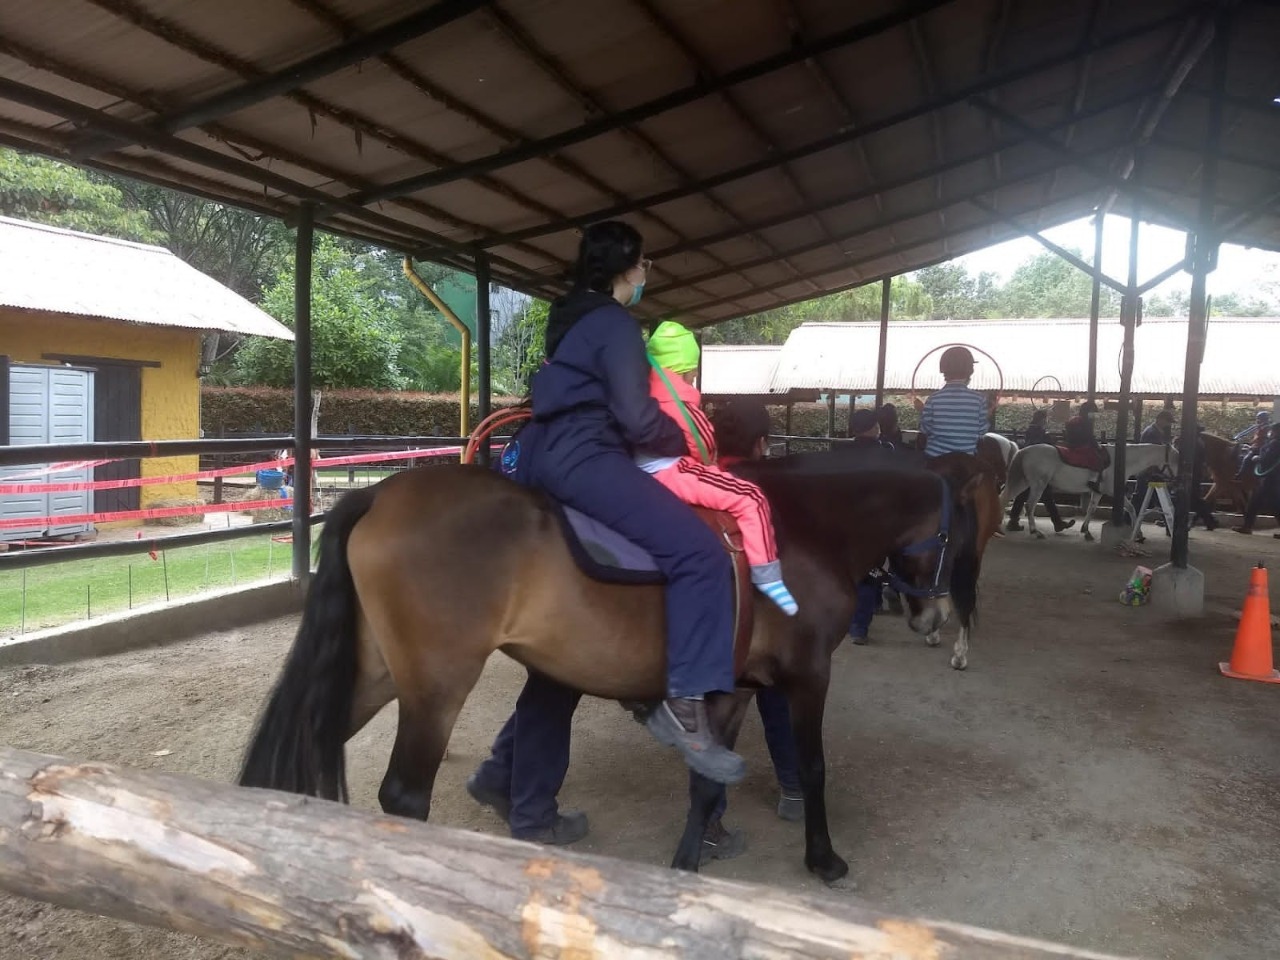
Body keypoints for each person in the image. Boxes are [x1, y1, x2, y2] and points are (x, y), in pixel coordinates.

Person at [467, 221, 743, 846]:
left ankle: (504, 779)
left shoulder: (570, 318)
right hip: (585, 456)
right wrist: (683, 442)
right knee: (700, 554)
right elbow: (634, 415)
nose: (648, 274)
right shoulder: (618, 326)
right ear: (629, 266)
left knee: (558, 662)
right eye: (646, 263)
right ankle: (685, 701)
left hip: (538, 453)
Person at [641, 321, 798, 616]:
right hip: (673, 474)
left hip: (637, 476)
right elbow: (705, 446)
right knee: (751, 497)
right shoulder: (684, 406)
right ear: (688, 371)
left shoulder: (639, 398)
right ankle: (766, 576)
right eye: (693, 373)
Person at [846, 408, 893, 644]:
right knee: (870, 572)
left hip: (843, 523)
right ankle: (859, 627)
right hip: (874, 525)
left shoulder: (840, 453)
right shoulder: (886, 454)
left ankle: (863, 611)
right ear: (875, 428)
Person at [1006, 408, 1075, 534]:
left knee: (1024, 493)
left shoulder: (1030, 430)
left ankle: (1014, 520)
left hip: (1028, 464)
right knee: (1046, 495)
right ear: (1042, 420)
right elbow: (1048, 447)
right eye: (1045, 419)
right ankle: (1057, 522)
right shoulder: (1041, 433)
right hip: (1038, 466)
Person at [917, 346, 990, 458]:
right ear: (970, 370)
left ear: (943, 369)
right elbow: (982, 431)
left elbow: (925, 429)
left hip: (935, 457)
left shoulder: (934, 398)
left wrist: (922, 412)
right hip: (967, 458)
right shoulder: (979, 399)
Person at [1233, 427, 1280, 538]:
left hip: (1269, 478)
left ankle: (1247, 527)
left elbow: (1267, 459)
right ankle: (1247, 526)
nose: (1271, 432)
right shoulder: (1274, 443)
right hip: (1271, 478)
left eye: (1273, 431)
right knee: (1263, 503)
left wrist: (1256, 458)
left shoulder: (1275, 443)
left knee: (1265, 503)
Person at [1175, 424, 1219, 531]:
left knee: (1192, 499)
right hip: (1196, 473)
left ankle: (1210, 521)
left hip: (1191, 473)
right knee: (1195, 499)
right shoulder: (1199, 442)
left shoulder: (1190, 442)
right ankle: (1210, 521)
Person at [1063, 400, 1108, 493]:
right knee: (1098, 458)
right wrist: (1098, 446)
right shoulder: (1085, 422)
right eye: (1092, 413)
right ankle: (1093, 479)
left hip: (1070, 445)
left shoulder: (1073, 419)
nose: (1093, 415)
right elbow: (1089, 437)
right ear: (1088, 412)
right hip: (1081, 446)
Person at [1235, 412, 1272, 480]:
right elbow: (1256, 439)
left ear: (1263, 419)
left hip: (1260, 448)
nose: (1257, 420)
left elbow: (1264, 440)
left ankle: (1240, 475)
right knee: (1240, 453)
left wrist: (1252, 447)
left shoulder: (1267, 428)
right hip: (1255, 446)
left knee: (1246, 459)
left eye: (1258, 419)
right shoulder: (1259, 427)